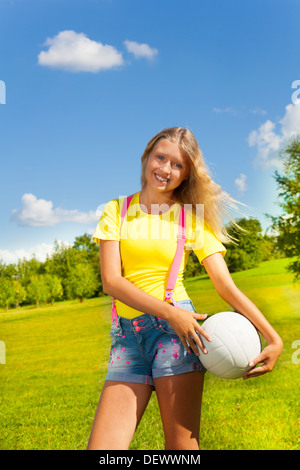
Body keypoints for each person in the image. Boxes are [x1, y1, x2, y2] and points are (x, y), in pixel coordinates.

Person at [87, 127, 283, 451]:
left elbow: (225, 286)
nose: (165, 169)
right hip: (127, 339)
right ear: (146, 157)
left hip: (177, 337)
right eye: (160, 157)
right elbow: (112, 281)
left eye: (177, 165)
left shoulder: (190, 218)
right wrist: (169, 312)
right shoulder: (116, 210)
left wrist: (273, 337)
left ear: (186, 174)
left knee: (181, 452)